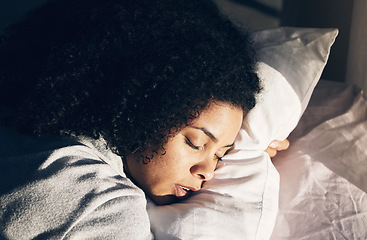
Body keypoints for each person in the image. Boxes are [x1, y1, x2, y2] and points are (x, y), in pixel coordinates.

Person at [0, 0, 288, 238]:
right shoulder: (104, 206)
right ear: (144, 110)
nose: (208, 172)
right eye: (195, 142)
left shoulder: (32, 136)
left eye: (221, 155)